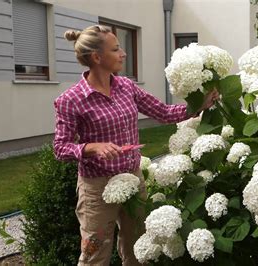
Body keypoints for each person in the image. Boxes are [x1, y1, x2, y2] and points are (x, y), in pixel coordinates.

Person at [53, 25, 218, 265]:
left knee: (138, 251)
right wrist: (92, 147)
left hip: (134, 179)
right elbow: (60, 148)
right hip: (97, 190)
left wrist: (198, 106)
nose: (124, 54)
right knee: (94, 255)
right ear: (97, 57)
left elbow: (162, 112)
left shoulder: (126, 87)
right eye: (116, 49)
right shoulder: (70, 100)